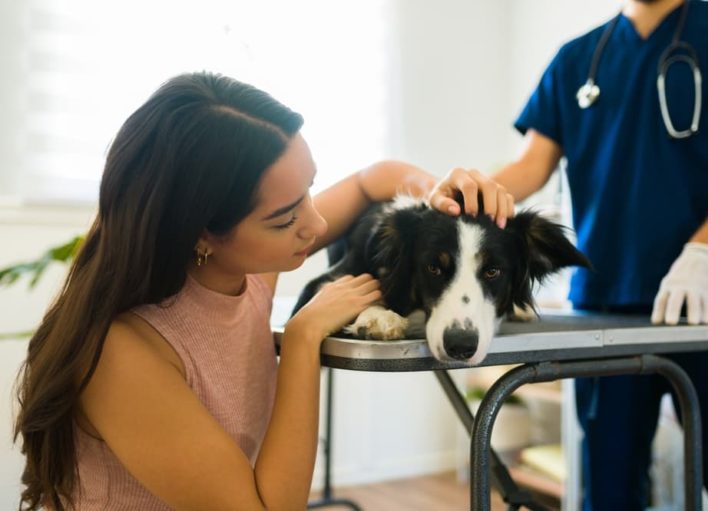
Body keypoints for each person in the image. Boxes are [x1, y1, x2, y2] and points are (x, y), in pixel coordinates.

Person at [13, 72, 438, 511]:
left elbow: (371, 181)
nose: (317, 225)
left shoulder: (243, 277)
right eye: (284, 220)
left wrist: (438, 191)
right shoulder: (122, 353)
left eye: (309, 189)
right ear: (201, 236)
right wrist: (303, 336)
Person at [430, 0, 708, 509]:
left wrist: (705, 250)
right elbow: (531, 166)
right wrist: (459, 195)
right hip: (605, 303)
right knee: (606, 487)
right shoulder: (578, 59)